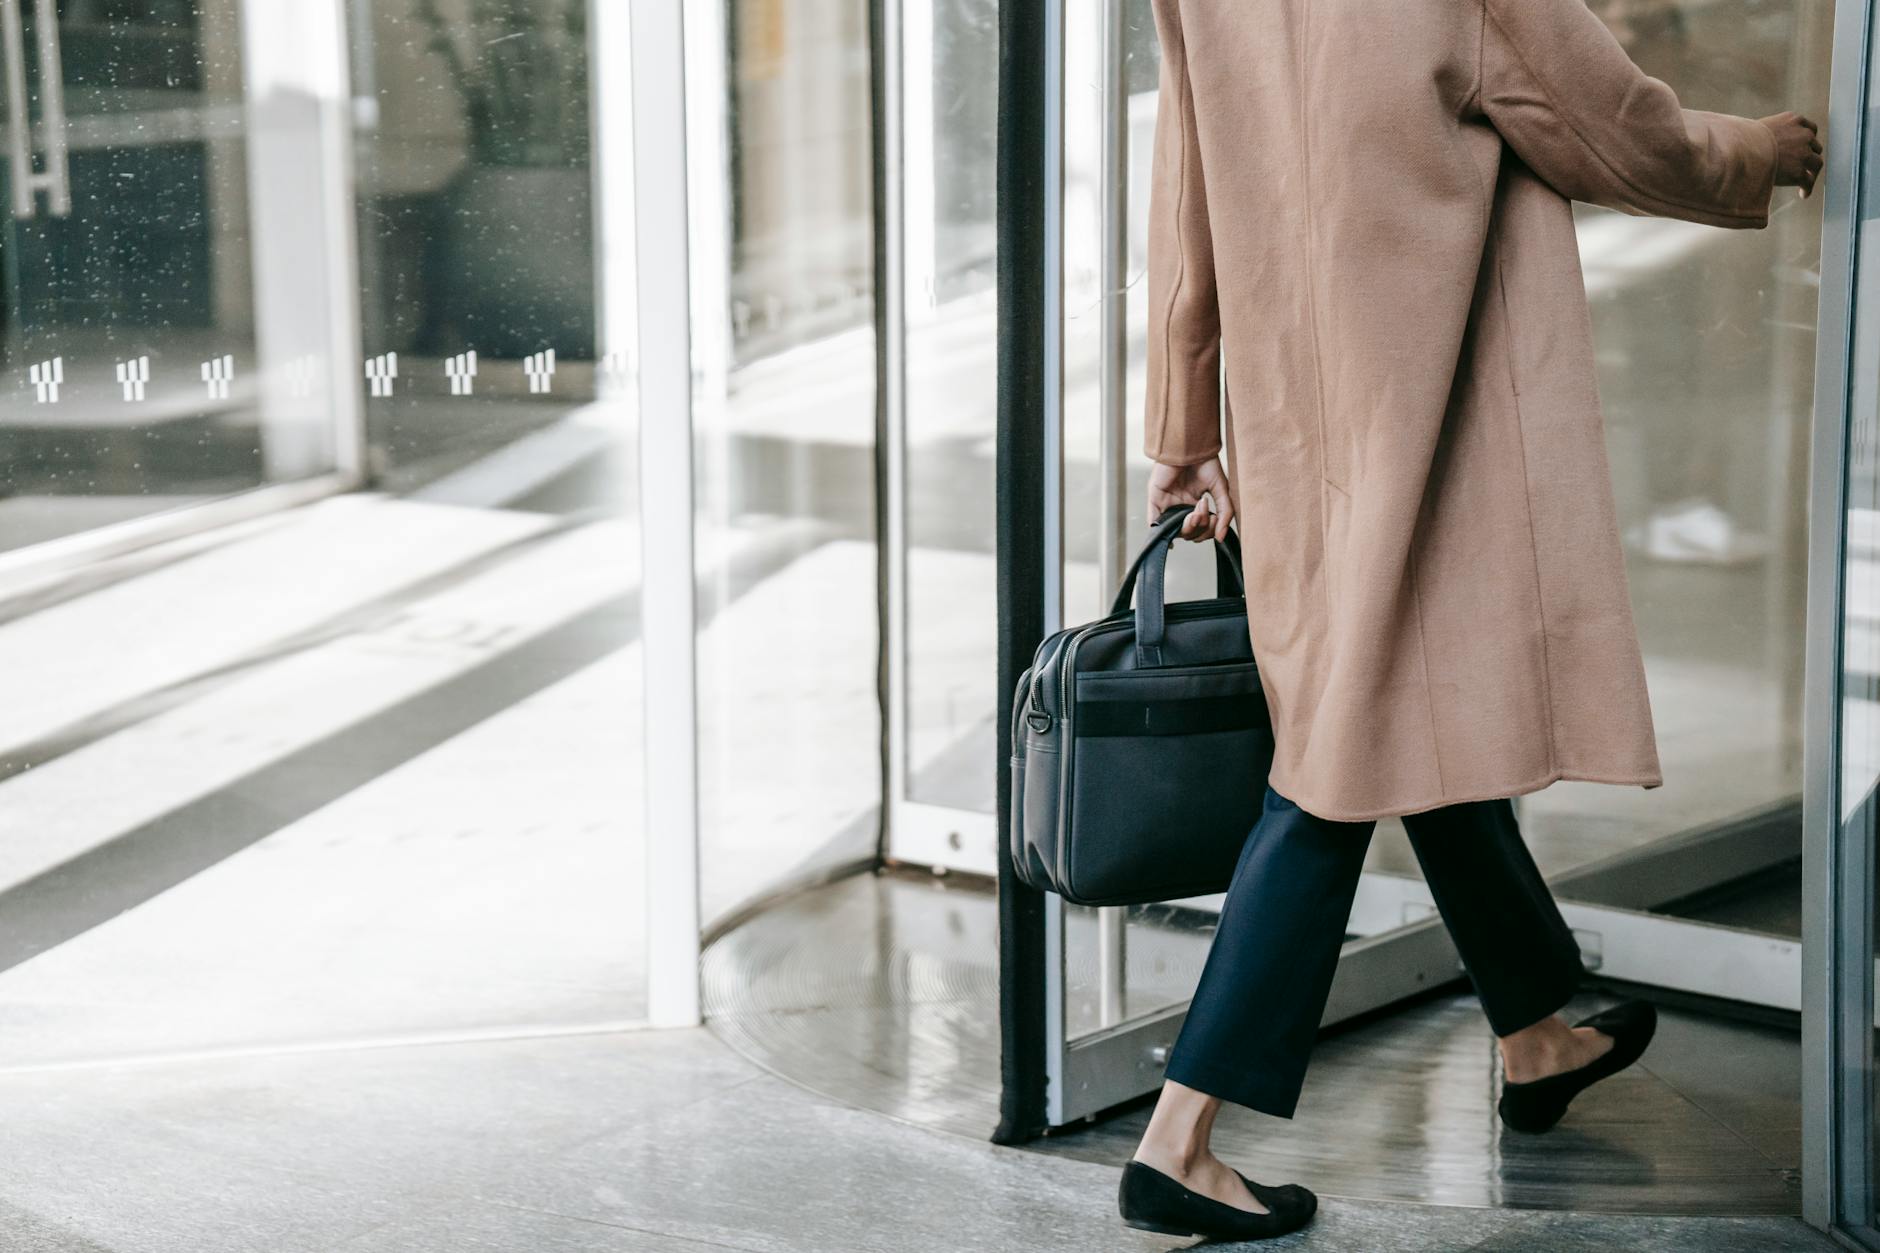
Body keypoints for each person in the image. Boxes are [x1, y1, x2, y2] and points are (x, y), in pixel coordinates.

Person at [1117, 0, 1822, 1241]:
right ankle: (1180, 1133)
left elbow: (1187, 171)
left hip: (1295, 409)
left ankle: (1537, 1025)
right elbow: (1606, 122)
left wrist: (1183, 420)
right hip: (1423, 395)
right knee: (1337, 759)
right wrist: (1758, 151)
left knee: (1400, 695)